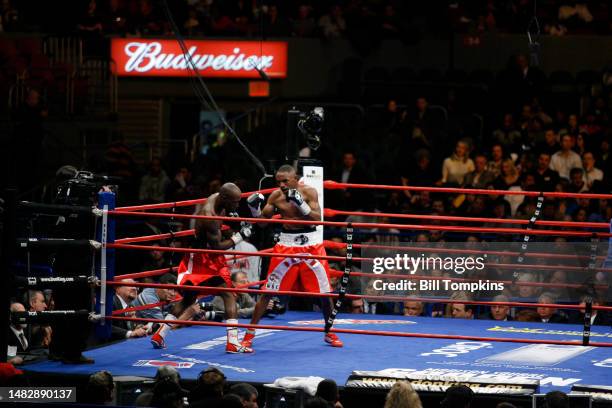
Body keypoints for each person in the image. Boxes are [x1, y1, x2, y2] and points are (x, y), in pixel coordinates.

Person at [241, 165, 343, 349]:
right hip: (286, 245)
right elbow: (262, 224)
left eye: (285, 181)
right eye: (278, 181)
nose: (281, 185)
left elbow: (316, 218)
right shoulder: (275, 196)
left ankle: (329, 331)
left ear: (295, 178)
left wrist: (300, 205)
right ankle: (249, 334)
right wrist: (254, 210)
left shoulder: (309, 192)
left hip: (311, 246)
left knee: (325, 293)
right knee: (267, 292)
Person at [162, 182, 253, 353]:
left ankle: (160, 334)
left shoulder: (216, 199)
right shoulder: (209, 215)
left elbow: (219, 230)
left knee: (189, 299)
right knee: (229, 295)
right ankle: (233, 343)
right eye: (234, 202)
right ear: (225, 198)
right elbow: (217, 247)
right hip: (204, 260)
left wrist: (232, 225)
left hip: (200, 255)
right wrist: (239, 237)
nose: (237, 205)